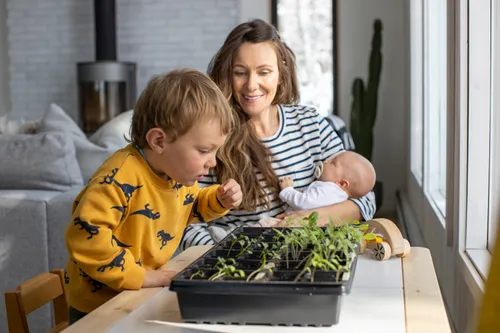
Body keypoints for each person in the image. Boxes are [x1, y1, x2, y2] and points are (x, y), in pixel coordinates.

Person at [64, 68, 242, 324]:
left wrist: (218, 200)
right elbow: (84, 235)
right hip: (101, 306)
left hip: (138, 294)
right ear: (159, 141)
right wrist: (141, 276)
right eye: (204, 150)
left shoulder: (174, 174)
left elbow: (189, 208)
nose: (212, 162)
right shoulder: (118, 178)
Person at [179, 19, 376, 249]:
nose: (252, 85)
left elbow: (365, 197)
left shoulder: (311, 123)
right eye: (240, 73)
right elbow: (186, 220)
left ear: (280, 74)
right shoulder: (212, 136)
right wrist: (224, 258)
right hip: (241, 265)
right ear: (227, 75)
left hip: (311, 257)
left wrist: (309, 220)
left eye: (264, 72)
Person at [278, 151, 376, 211]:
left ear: (342, 183)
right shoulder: (336, 194)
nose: (327, 160)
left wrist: (287, 191)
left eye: (333, 163)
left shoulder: (329, 190)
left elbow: (304, 203)